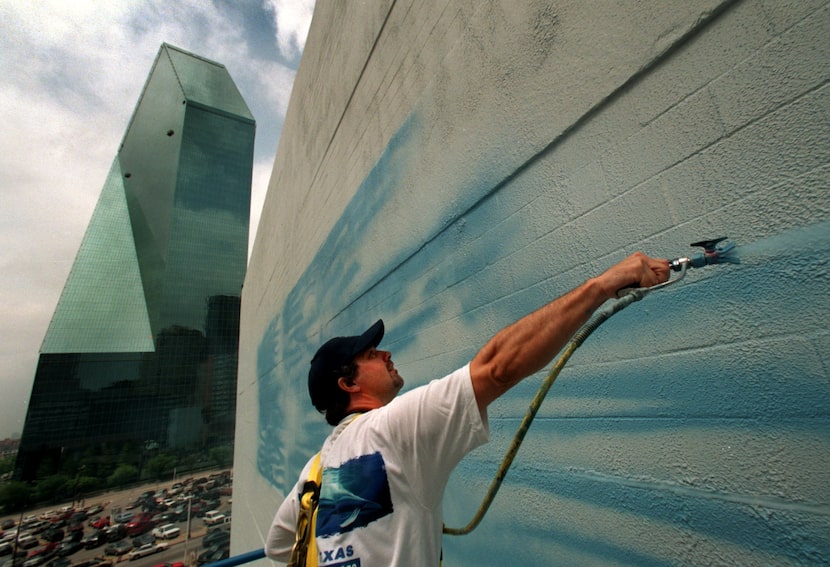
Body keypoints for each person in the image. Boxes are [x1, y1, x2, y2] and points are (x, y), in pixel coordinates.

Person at [265, 252, 670, 566]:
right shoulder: (390, 430)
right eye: (372, 354)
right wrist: (603, 284)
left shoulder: (313, 474)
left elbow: (277, 545)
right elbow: (497, 368)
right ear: (349, 384)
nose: (386, 353)